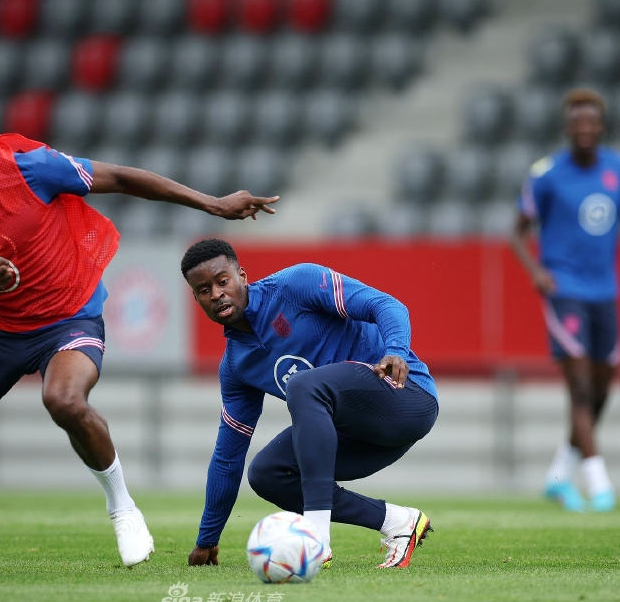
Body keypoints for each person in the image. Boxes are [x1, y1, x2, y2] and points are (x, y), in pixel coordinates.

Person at [0, 91, 278, 574]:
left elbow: (120, 178)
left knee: (64, 400)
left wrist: (212, 204)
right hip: (2, 328)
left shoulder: (28, 166)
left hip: (69, 317)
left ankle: (123, 509)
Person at [180, 239, 439, 569]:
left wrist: (396, 352)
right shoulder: (236, 367)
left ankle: (317, 539)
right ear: (196, 299)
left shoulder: (295, 285)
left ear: (241, 276)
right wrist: (207, 538)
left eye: (222, 281)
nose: (217, 294)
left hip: (406, 397)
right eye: (204, 290)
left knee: (303, 384)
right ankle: (398, 522)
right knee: (267, 473)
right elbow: (227, 456)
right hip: (359, 439)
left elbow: (387, 305)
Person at [511, 88, 620, 512]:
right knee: (581, 388)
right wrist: (537, 271)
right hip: (564, 290)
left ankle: (558, 477)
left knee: (602, 389)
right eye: (577, 123)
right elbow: (517, 231)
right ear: (567, 127)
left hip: (605, 292)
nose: (584, 129)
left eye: (591, 122)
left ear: (601, 126)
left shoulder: (619, 171)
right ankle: (599, 485)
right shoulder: (547, 174)